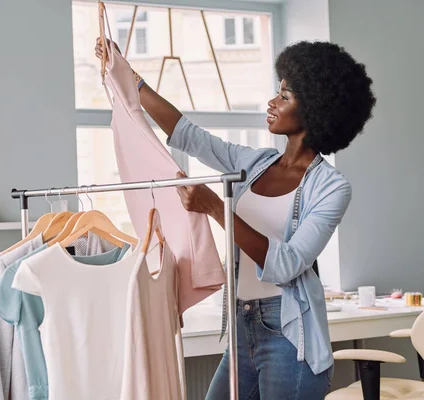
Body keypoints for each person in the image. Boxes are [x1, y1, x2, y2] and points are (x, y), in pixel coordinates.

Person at [95, 39, 376, 399]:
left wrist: (215, 207)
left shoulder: (332, 188)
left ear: (317, 110)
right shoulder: (255, 163)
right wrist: (128, 76)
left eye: (285, 96)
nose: (272, 103)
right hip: (243, 328)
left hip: (291, 339)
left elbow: (288, 263)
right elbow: (188, 135)